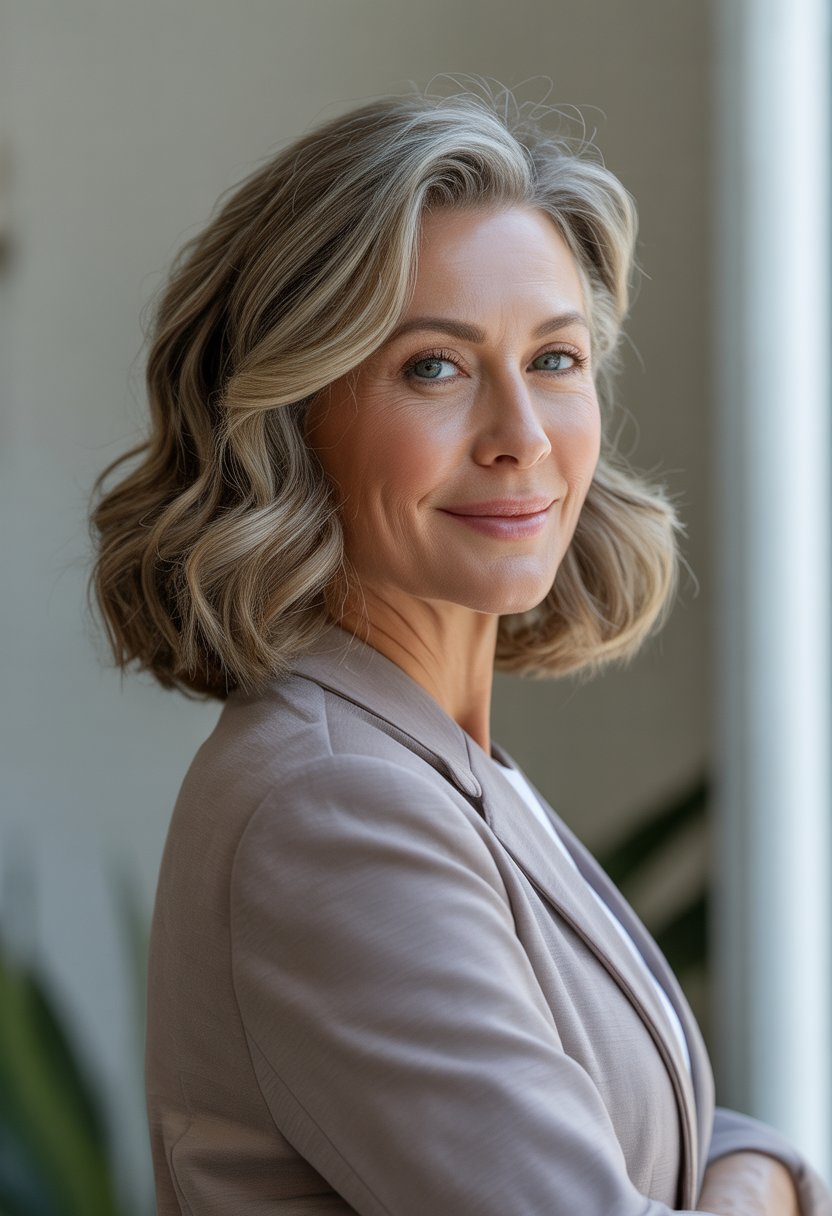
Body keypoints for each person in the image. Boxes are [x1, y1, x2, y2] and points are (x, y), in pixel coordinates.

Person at [88, 85, 832, 1215]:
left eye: (555, 359)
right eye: (434, 366)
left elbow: (638, 1133)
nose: (520, 438)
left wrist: (747, 1163)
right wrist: (773, 1175)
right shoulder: (334, 804)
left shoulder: (432, 758)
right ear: (292, 420)